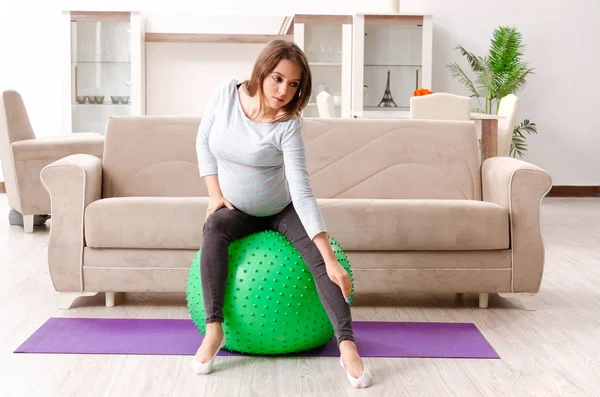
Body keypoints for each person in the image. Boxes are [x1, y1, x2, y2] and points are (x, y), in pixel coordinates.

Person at [191, 40, 372, 388]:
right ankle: (214, 329)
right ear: (261, 71)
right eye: (277, 79)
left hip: (280, 210)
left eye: (293, 85)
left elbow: (301, 190)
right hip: (237, 210)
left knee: (320, 261)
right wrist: (214, 194)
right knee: (213, 228)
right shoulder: (225, 95)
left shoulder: (287, 124)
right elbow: (203, 141)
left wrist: (331, 257)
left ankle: (347, 344)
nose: (284, 91)